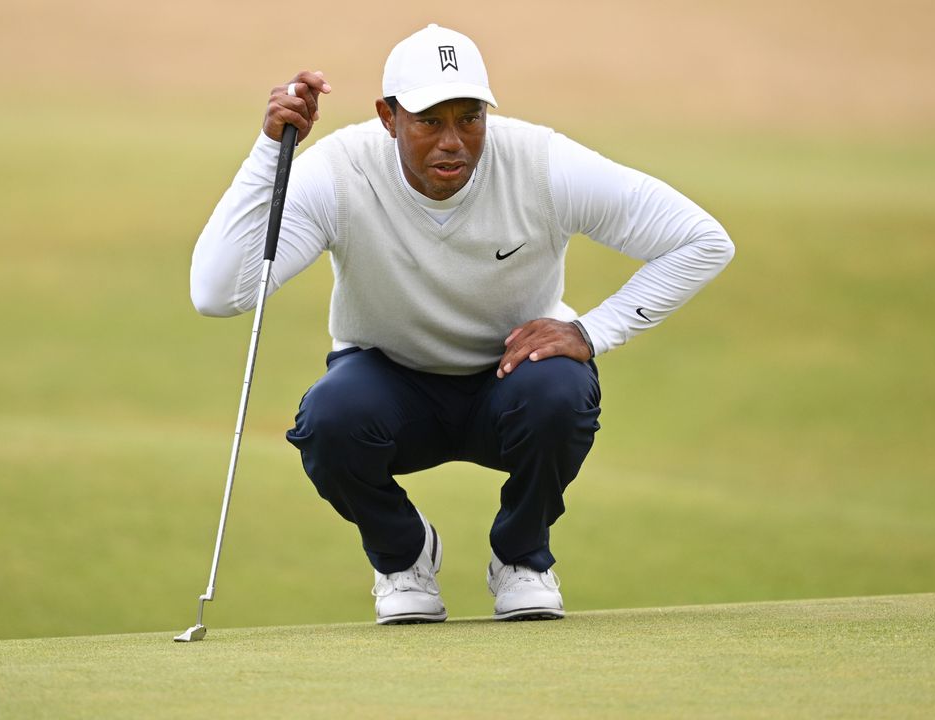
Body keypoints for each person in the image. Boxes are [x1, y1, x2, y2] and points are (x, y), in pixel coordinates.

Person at [190, 24, 734, 624]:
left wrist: (590, 332)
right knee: (329, 419)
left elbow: (702, 240)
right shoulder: (342, 170)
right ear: (388, 117)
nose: (453, 142)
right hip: (387, 383)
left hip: (512, 383)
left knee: (560, 390)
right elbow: (219, 292)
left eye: (469, 118)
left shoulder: (540, 162)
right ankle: (403, 557)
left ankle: (522, 559)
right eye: (429, 121)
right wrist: (272, 151)